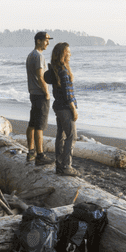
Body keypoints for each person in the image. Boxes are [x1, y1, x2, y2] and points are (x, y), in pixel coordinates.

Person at [47, 41, 79, 176]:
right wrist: (74, 109)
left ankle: (59, 165)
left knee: (61, 135)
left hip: (58, 106)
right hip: (65, 108)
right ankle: (66, 166)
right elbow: (67, 93)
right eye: (68, 52)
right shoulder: (63, 71)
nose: (70, 54)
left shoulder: (57, 69)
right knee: (72, 136)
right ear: (62, 54)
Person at [25, 32, 53, 164]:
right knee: (39, 126)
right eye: (46, 40)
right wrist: (46, 92)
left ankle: (31, 152)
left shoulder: (31, 55)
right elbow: (41, 77)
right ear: (38, 41)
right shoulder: (39, 56)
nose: (48, 43)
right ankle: (40, 156)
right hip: (40, 94)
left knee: (32, 123)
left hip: (33, 93)